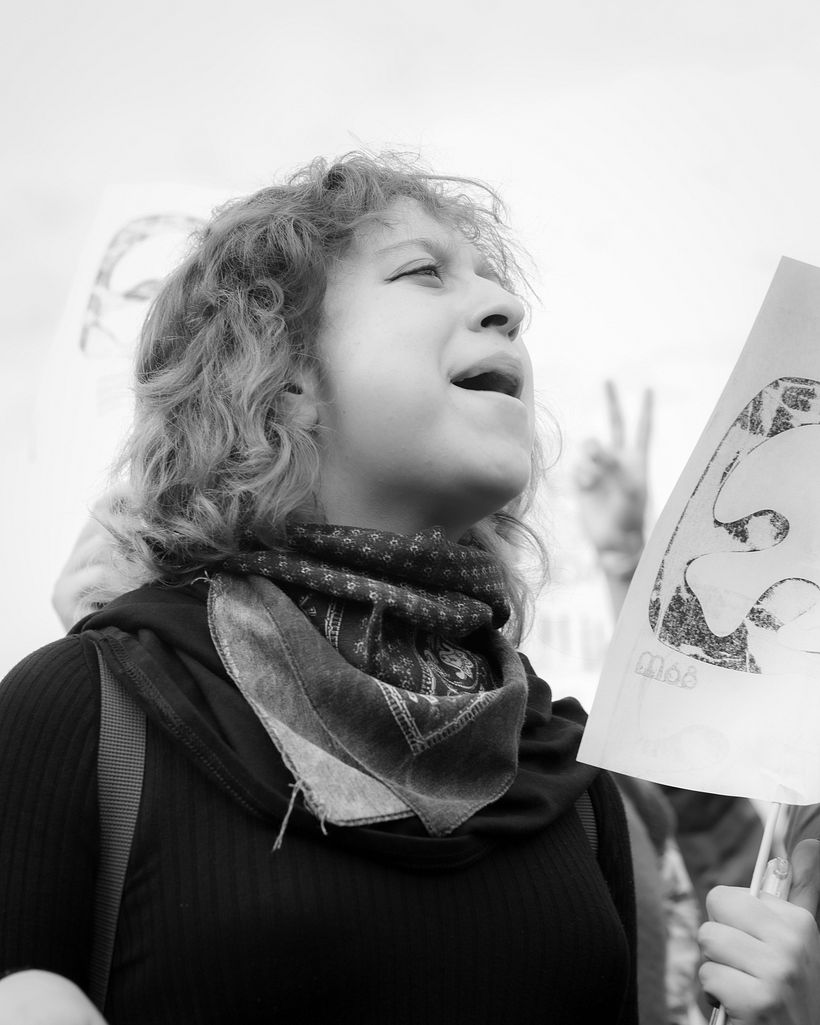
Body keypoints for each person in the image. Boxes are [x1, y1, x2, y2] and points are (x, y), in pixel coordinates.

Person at [1, 153, 817, 1025]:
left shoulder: (566, 779)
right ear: (283, 375)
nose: (507, 308)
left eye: (497, 282)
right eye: (423, 271)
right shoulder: (87, 710)